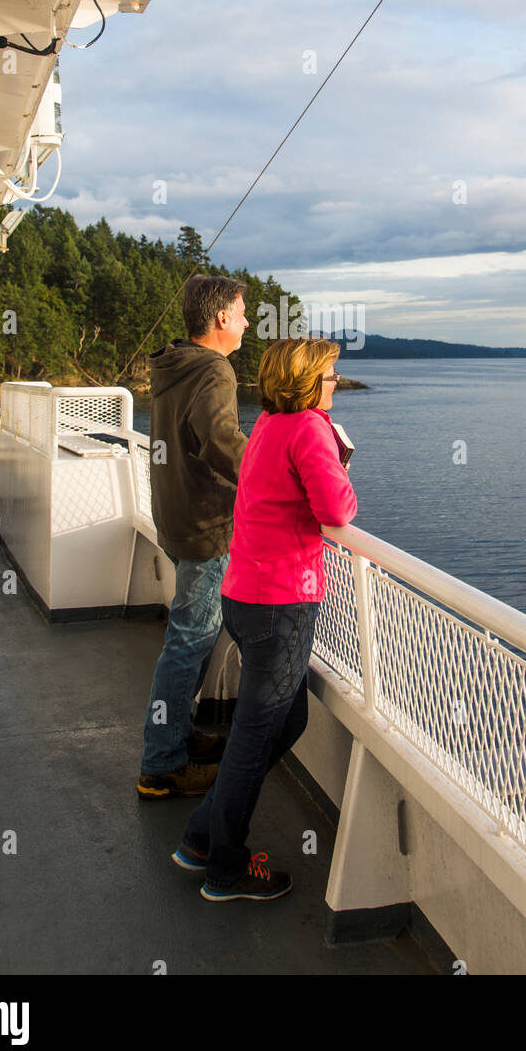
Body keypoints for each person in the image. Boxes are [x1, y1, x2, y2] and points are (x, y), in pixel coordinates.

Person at [170, 336, 357, 899]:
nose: (334, 386)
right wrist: (339, 463)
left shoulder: (270, 427)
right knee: (254, 738)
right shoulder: (307, 430)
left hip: (246, 598)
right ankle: (224, 869)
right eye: (329, 377)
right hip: (282, 606)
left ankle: (202, 836)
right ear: (307, 383)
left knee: (287, 722)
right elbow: (338, 509)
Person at [137, 274, 249, 798]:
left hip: (173, 513)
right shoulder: (215, 369)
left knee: (188, 634)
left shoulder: (174, 364)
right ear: (222, 318)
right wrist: (273, 472)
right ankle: (162, 765)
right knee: (189, 640)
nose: (248, 321)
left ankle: (176, 736)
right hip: (205, 523)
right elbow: (220, 438)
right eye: (243, 312)